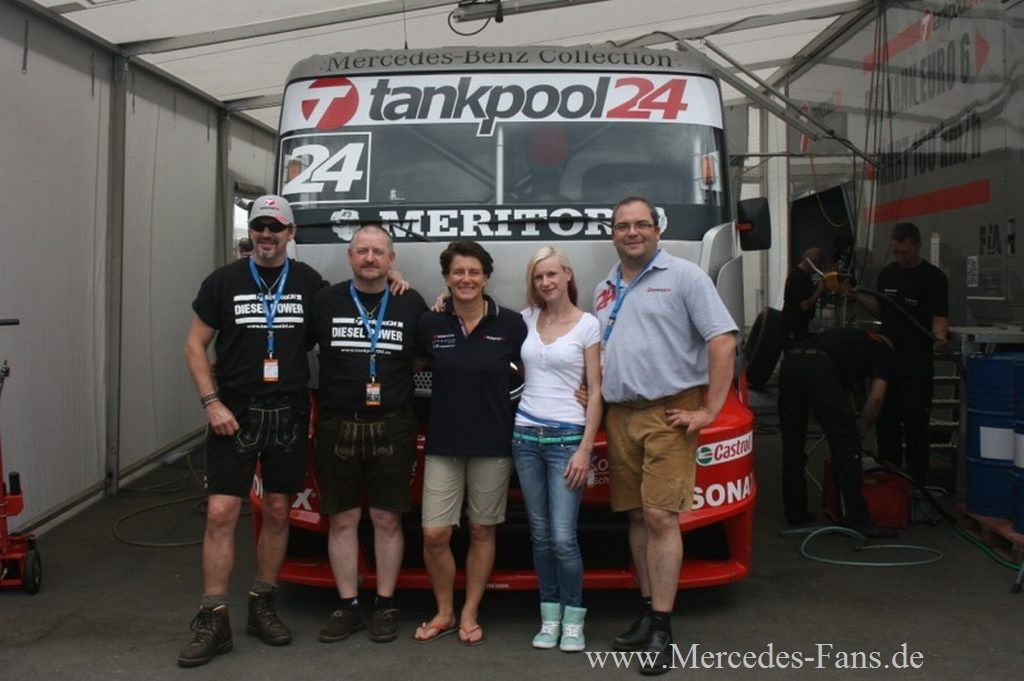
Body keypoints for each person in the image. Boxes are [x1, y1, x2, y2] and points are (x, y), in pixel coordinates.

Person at [179, 195, 324, 667]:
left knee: (279, 511)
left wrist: (396, 278)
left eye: (275, 227)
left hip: (288, 411)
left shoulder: (308, 282)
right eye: (259, 226)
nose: (266, 234)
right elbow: (194, 346)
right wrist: (211, 403)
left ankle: (262, 604)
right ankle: (213, 616)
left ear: (290, 233)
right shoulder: (223, 281)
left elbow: (351, 306)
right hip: (234, 411)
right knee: (221, 513)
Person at [594, 197, 737, 673]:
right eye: (623, 226)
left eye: (641, 224)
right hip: (621, 415)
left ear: (657, 230)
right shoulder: (605, 288)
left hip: (669, 413)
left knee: (659, 516)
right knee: (636, 515)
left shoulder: (685, 276)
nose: (632, 232)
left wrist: (711, 409)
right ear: (613, 235)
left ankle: (662, 628)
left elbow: (723, 339)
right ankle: (647, 611)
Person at [310, 225, 428, 645]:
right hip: (337, 421)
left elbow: (423, 357)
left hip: (393, 421)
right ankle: (348, 606)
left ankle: (384, 604)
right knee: (342, 518)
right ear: (350, 257)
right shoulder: (325, 301)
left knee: (387, 518)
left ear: (391, 259)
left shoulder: (409, 301)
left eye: (378, 252)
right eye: (362, 250)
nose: (370, 258)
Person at [413, 240, 527, 646]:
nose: (466, 279)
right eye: (458, 272)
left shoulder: (511, 324)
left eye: (474, 272)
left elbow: (537, 369)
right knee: (434, 534)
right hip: (443, 443)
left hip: (493, 443)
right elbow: (413, 369)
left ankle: (469, 611)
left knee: (481, 529)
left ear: (486, 278)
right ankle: (444, 611)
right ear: (447, 278)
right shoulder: (430, 323)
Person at [514, 247, 602, 653]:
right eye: (538, 277)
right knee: (540, 535)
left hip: (567, 440)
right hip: (525, 438)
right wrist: (443, 301)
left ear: (567, 275)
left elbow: (596, 391)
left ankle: (573, 618)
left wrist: (585, 448)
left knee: (564, 538)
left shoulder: (588, 325)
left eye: (551, 274)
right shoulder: (525, 319)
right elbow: (477, 315)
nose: (545, 282)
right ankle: (549, 616)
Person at [843, 222, 949, 486]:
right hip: (888, 358)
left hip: (917, 361)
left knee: (915, 423)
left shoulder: (933, 278)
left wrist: (940, 337)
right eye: (896, 252)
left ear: (918, 247)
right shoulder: (888, 274)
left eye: (906, 252)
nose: (900, 257)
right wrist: (858, 298)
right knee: (887, 423)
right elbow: (881, 309)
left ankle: (916, 483)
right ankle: (891, 480)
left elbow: (939, 318)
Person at [778, 328, 896, 538]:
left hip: (790, 363)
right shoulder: (885, 349)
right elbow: (876, 397)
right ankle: (854, 518)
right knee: (847, 447)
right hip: (819, 368)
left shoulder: (852, 336)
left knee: (793, 443)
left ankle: (795, 512)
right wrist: (860, 432)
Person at [781, 247, 827, 350]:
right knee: (794, 352)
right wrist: (819, 290)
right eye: (819, 265)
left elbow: (807, 293)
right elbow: (805, 305)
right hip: (793, 326)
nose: (819, 269)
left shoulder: (805, 276)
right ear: (813, 262)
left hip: (800, 325)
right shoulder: (797, 276)